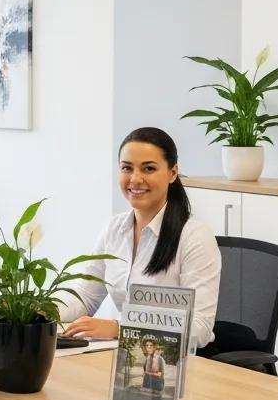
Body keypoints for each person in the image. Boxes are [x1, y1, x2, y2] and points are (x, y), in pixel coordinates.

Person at [60, 127, 221, 350]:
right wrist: (34, 310)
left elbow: (200, 327)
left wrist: (120, 328)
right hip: (124, 357)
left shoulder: (194, 236)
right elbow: (86, 295)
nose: (135, 179)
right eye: (127, 168)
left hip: (176, 367)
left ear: (172, 173)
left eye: (149, 168)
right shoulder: (114, 229)